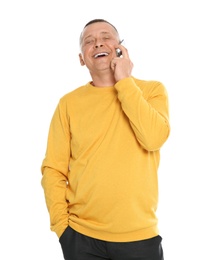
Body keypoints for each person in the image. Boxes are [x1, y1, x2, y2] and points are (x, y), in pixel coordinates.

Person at [41, 18, 170, 260]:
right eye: (89, 42)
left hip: (139, 237)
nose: (98, 44)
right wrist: (62, 229)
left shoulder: (152, 91)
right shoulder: (68, 103)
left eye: (106, 37)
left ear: (120, 48)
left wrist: (124, 81)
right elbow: (53, 170)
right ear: (82, 58)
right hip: (81, 238)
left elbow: (153, 138)